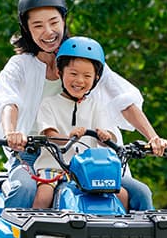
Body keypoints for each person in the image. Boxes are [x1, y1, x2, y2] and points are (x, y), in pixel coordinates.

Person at [0, 0, 167, 210]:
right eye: (38, 25)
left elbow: (123, 99)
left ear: (64, 21)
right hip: (35, 153)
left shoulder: (83, 57)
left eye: (53, 23)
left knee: (140, 192)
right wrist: (11, 132)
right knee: (25, 189)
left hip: (89, 155)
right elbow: (7, 100)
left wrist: (153, 138)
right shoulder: (20, 66)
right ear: (27, 29)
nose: (48, 32)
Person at [30, 37, 130, 210]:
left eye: (87, 76)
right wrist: (69, 138)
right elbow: (50, 135)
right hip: (55, 168)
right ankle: (31, 235)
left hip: (90, 170)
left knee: (122, 194)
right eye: (73, 74)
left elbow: (107, 136)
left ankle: (122, 232)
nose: (79, 81)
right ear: (59, 73)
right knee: (44, 195)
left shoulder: (97, 105)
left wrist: (105, 136)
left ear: (96, 78)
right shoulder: (48, 104)